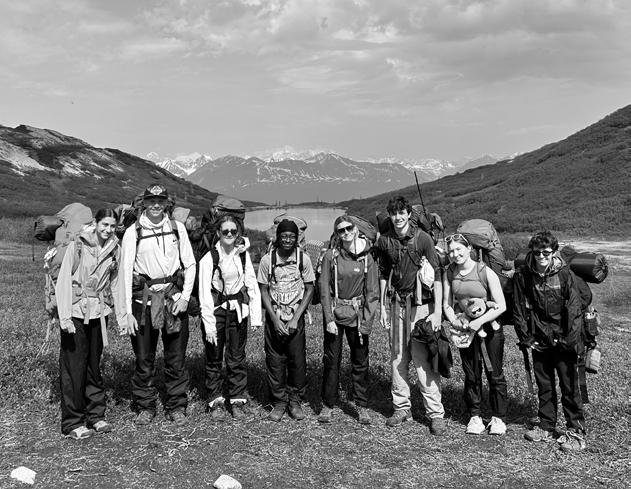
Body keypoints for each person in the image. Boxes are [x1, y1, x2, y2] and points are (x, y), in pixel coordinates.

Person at [120, 184, 196, 427]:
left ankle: (177, 405)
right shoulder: (133, 232)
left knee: (176, 357)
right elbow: (125, 273)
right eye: (151, 201)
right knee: (144, 358)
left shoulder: (177, 228)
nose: (156, 205)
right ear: (144, 203)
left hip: (173, 300)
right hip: (143, 302)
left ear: (166, 204)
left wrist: (185, 298)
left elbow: (190, 264)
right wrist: (127, 313)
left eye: (160, 201)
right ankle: (145, 406)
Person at [375, 196, 446, 434]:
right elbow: (383, 274)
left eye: (401, 213)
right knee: (397, 359)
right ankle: (401, 407)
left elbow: (437, 275)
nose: (398, 218)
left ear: (408, 214)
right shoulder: (384, 241)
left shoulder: (422, 238)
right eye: (393, 213)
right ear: (390, 216)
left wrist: (437, 312)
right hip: (396, 304)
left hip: (421, 307)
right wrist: (383, 306)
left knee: (423, 360)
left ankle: (435, 413)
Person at [513, 231, 587, 451]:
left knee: (569, 387)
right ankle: (546, 426)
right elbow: (518, 308)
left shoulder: (565, 275)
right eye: (537, 252)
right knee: (544, 385)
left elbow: (574, 310)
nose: (541, 257)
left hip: (564, 339)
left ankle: (576, 432)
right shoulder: (524, 275)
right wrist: (526, 338)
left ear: (554, 252)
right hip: (539, 339)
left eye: (546, 252)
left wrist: (569, 341)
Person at [56, 208, 125, 439]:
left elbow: (116, 283)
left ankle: (96, 415)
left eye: (112, 226)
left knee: (94, 366)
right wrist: (65, 317)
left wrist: (122, 316)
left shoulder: (115, 248)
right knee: (73, 368)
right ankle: (72, 422)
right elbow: (63, 281)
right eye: (104, 224)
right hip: (75, 312)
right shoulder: (77, 246)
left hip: (99, 312)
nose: (108, 230)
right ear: (96, 223)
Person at [442, 234, 508, 435]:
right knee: (471, 373)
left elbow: (501, 305)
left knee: (494, 373)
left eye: (459, 249)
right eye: (451, 251)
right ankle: (475, 415)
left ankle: (499, 417)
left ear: (468, 248)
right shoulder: (450, 273)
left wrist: (479, 322)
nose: (455, 254)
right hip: (465, 329)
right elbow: (447, 303)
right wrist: (455, 321)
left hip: (489, 329)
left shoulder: (484, 271)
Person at [198, 215, 262, 419]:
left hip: (237, 312)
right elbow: (204, 293)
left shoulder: (242, 255)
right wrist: (209, 325)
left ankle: (237, 400)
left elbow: (251, 284)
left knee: (237, 357)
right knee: (214, 357)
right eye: (225, 231)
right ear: (218, 233)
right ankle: (215, 400)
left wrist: (256, 316)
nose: (229, 234)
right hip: (216, 311)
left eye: (233, 231)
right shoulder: (209, 258)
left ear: (238, 233)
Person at [318, 216, 379, 425]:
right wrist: (328, 318)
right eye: (341, 230)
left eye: (348, 228)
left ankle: (361, 405)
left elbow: (372, 292)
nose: (345, 233)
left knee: (360, 361)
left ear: (356, 229)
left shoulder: (367, 258)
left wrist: (366, 323)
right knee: (331, 360)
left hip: (358, 314)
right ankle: (328, 404)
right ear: (336, 234)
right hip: (335, 313)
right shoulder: (331, 256)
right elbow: (324, 288)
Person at [257, 219, 315, 422]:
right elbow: (263, 289)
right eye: (284, 236)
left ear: (296, 239)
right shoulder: (267, 260)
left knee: (297, 362)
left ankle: (294, 400)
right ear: (278, 237)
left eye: (291, 236)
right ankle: (279, 401)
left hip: (295, 319)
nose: (288, 240)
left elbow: (310, 288)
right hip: (275, 318)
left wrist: (295, 318)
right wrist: (274, 319)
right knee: (275, 361)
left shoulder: (303, 259)